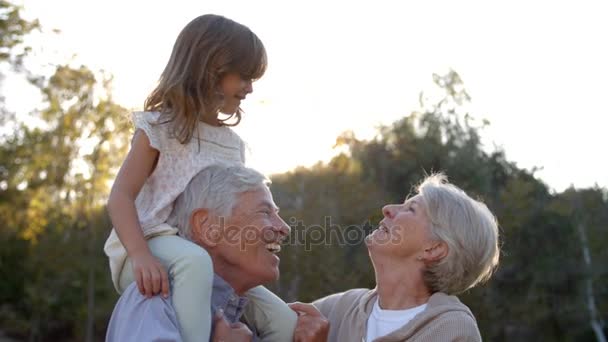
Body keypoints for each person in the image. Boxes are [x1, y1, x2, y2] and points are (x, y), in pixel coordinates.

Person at [103, 14, 295, 342]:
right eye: (245, 76)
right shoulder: (159, 128)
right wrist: (140, 255)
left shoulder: (232, 145)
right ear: (212, 69)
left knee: (283, 319)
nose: (250, 88)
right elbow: (119, 196)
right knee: (194, 262)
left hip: (205, 257)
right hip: (149, 243)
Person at [290, 174, 500, 341]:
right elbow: (263, 322)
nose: (388, 209)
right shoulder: (341, 307)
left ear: (433, 248)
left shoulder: (452, 330)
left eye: (411, 209)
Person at [107, 164, 295, 342]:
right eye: (264, 212)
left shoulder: (252, 323)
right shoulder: (152, 302)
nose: (284, 228)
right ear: (208, 227)